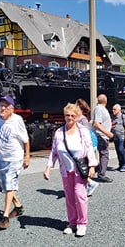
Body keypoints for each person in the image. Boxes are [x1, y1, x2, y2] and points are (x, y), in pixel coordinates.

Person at [43, 103, 98, 237]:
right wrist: (48, 168)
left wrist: (92, 166)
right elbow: (54, 152)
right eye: (67, 115)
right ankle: (72, 222)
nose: (70, 118)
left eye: (72, 115)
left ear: (77, 116)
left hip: (79, 169)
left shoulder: (82, 131)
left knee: (80, 196)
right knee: (69, 197)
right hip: (65, 170)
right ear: (64, 116)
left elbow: (90, 148)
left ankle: (82, 223)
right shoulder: (59, 132)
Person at [0, 95, 30, 230]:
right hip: (0, 157)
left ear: (12, 108)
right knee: (5, 186)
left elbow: (26, 140)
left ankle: (5, 217)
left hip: (14, 158)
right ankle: (18, 207)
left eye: (5, 106)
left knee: (9, 185)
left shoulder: (17, 120)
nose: (2, 108)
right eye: (0, 105)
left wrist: (27, 157)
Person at [75, 98, 99, 197]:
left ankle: (90, 183)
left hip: (86, 145)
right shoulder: (78, 119)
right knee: (79, 166)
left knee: (80, 166)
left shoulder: (83, 120)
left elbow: (85, 135)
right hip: (80, 146)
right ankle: (86, 185)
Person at [91, 94, 113, 182]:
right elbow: (96, 124)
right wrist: (107, 133)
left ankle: (97, 170)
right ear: (106, 100)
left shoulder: (101, 109)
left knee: (103, 155)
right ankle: (101, 175)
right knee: (104, 155)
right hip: (101, 136)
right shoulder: (99, 109)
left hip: (102, 135)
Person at [111, 103, 125, 172]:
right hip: (115, 137)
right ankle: (121, 164)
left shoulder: (123, 116)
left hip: (121, 136)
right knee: (118, 151)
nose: (113, 111)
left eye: (114, 109)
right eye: (113, 109)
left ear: (119, 110)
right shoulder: (114, 117)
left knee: (121, 149)